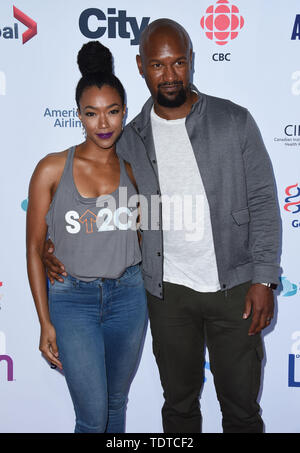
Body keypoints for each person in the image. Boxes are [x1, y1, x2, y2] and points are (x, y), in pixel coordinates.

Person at [44, 19, 281, 433]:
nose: (170, 75)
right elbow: (95, 200)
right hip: (167, 295)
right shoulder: (128, 138)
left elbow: (263, 200)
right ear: (140, 66)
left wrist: (263, 278)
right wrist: (54, 247)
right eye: (157, 65)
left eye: (179, 63)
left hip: (236, 290)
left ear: (191, 63)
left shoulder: (234, 120)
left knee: (242, 410)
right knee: (178, 408)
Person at [26, 41, 147, 433]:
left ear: (124, 112)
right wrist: (45, 323)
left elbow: (148, 235)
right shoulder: (50, 169)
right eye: (92, 114)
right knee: (92, 418)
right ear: (78, 115)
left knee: (116, 404)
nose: (103, 123)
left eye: (112, 112)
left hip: (129, 298)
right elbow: (32, 248)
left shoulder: (134, 169)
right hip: (72, 300)